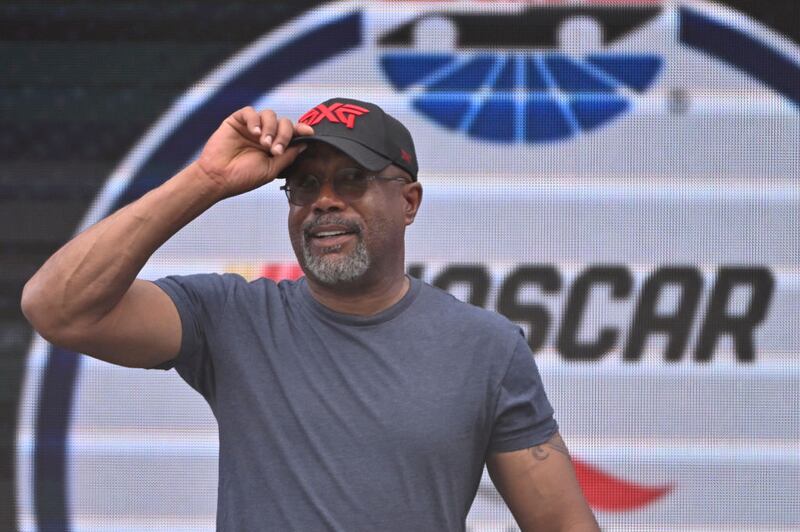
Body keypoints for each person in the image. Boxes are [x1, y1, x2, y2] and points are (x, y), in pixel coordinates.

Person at [21, 97, 599, 531]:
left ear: (409, 202)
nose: (324, 199)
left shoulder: (486, 347)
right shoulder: (230, 316)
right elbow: (58, 308)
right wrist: (209, 180)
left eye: (353, 180)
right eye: (303, 185)